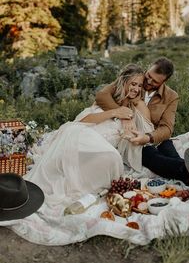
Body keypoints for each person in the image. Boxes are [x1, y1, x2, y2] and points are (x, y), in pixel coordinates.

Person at [24, 64, 154, 206]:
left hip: (100, 150)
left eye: (140, 86)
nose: (136, 89)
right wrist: (115, 113)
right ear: (124, 82)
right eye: (133, 84)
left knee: (112, 159)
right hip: (83, 135)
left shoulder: (135, 108)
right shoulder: (108, 100)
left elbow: (144, 129)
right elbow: (83, 120)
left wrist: (130, 126)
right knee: (70, 141)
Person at [95, 57, 189, 191]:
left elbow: (167, 128)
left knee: (171, 156)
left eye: (154, 81)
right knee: (154, 158)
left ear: (164, 82)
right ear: (149, 68)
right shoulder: (136, 79)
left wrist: (149, 137)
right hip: (137, 139)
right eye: (149, 75)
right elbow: (101, 96)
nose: (148, 81)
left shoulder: (171, 96)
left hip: (155, 137)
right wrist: (122, 114)